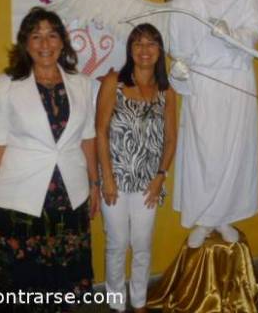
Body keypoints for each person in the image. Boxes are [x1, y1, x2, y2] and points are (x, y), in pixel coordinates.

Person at [0, 7, 99, 310]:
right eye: (36, 36)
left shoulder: (82, 83)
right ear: (25, 43)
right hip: (20, 202)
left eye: (52, 35)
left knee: (63, 282)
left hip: (70, 199)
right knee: (20, 285)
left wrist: (94, 185)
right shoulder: (4, 85)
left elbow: (88, 138)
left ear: (63, 41)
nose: (45, 44)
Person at [169, 0, 258, 248]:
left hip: (236, 78)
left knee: (233, 149)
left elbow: (254, 29)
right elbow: (178, 47)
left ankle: (221, 218)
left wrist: (232, 34)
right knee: (204, 149)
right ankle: (205, 215)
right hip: (204, 81)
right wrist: (180, 67)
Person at [96, 23, 177, 313]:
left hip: (148, 184)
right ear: (130, 49)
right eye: (138, 43)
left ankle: (139, 301)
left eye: (151, 43)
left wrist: (160, 178)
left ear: (160, 51)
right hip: (114, 180)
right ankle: (117, 304)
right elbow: (101, 131)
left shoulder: (166, 92)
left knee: (142, 245)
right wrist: (106, 178)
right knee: (117, 245)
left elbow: (170, 140)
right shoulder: (113, 82)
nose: (145, 50)